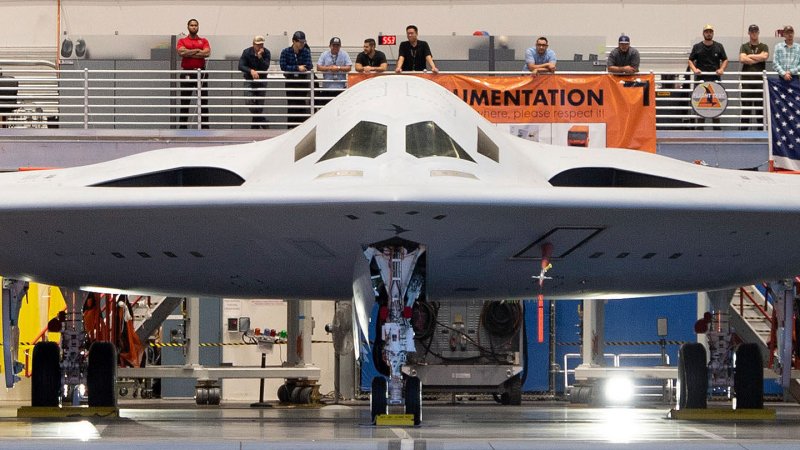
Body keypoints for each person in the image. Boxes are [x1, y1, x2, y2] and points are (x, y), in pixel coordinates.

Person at [688, 24, 728, 129]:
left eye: (710, 32)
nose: (709, 34)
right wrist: (694, 69)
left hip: (715, 81)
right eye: (707, 32)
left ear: (713, 33)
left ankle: (717, 130)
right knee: (700, 108)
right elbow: (690, 60)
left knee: (716, 107)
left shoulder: (719, 46)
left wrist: (722, 69)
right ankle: (700, 130)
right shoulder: (697, 47)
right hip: (701, 81)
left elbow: (725, 59)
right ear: (703, 33)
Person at [176, 18, 211, 129]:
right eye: (191, 25)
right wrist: (197, 51)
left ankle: (205, 128)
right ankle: (182, 128)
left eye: (196, 25)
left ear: (198, 27)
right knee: (185, 101)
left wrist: (189, 52)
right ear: (188, 27)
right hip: (187, 72)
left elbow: (207, 53)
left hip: (201, 73)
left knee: (203, 101)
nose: (194, 27)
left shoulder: (204, 40)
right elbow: (181, 52)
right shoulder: (182, 41)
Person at [279, 31, 313, 128]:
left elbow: (309, 65)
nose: (302, 44)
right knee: (291, 104)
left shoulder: (306, 51)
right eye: (300, 42)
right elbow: (283, 66)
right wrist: (297, 68)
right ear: (294, 41)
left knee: (301, 103)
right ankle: (291, 127)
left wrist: (294, 68)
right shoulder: (285, 52)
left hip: (302, 81)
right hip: (291, 81)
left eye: (303, 42)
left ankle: (301, 128)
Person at [738, 24, 769, 129]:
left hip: (759, 82)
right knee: (746, 108)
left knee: (759, 108)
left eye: (755, 31)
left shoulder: (764, 46)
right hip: (747, 82)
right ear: (749, 33)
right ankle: (743, 133)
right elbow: (742, 59)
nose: (754, 33)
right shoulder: (744, 46)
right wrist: (758, 58)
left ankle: (761, 132)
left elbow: (764, 57)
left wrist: (750, 56)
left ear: (758, 32)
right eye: (752, 31)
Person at [238, 35, 271, 129]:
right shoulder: (247, 52)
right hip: (249, 79)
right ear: (253, 44)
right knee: (248, 101)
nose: (260, 46)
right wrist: (251, 71)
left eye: (261, 44)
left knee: (259, 105)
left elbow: (265, 67)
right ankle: (263, 120)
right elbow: (240, 66)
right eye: (258, 44)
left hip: (262, 80)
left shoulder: (267, 52)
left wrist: (260, 57)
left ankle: (255, 128)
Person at [316, 37, 352, 107]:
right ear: (329, 46)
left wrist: (338, 68)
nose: (335, 47)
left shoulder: (344, 54)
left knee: (340, 108)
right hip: (327, 88)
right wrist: (329, 68)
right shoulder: (324, 54)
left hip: (340, 88)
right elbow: (318, 67)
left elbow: (349, 67)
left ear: (340, 46)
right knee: (325, 108)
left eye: (337, 45)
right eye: (334, 45)